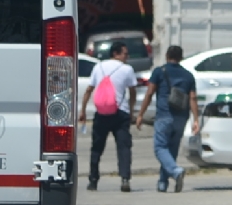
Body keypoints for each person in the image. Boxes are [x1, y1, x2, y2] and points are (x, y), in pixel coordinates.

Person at [139, 45, 199, 193]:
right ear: (181, 57)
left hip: (164, 115)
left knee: (160, 148)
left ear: (166, 56)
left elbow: (150, 93)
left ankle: (176, 171)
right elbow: (193, 98)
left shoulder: (159, 71)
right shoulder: (188, 75)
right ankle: (162, 183)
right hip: (181, 116)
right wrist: (195, 119)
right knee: (171, 150)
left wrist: (141, 114)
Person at [82, 42, 137, 192]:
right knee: (124, 147)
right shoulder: (127, 69)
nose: (127, 57)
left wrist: (83, 110)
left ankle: (93, 180)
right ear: (116, 53)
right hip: (121, 113)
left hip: (101, 114)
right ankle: (125, 178)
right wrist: (132, 110)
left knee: (97, 148)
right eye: (125, 54)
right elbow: (132, 91)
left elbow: (89, 89)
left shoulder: (98, 67)